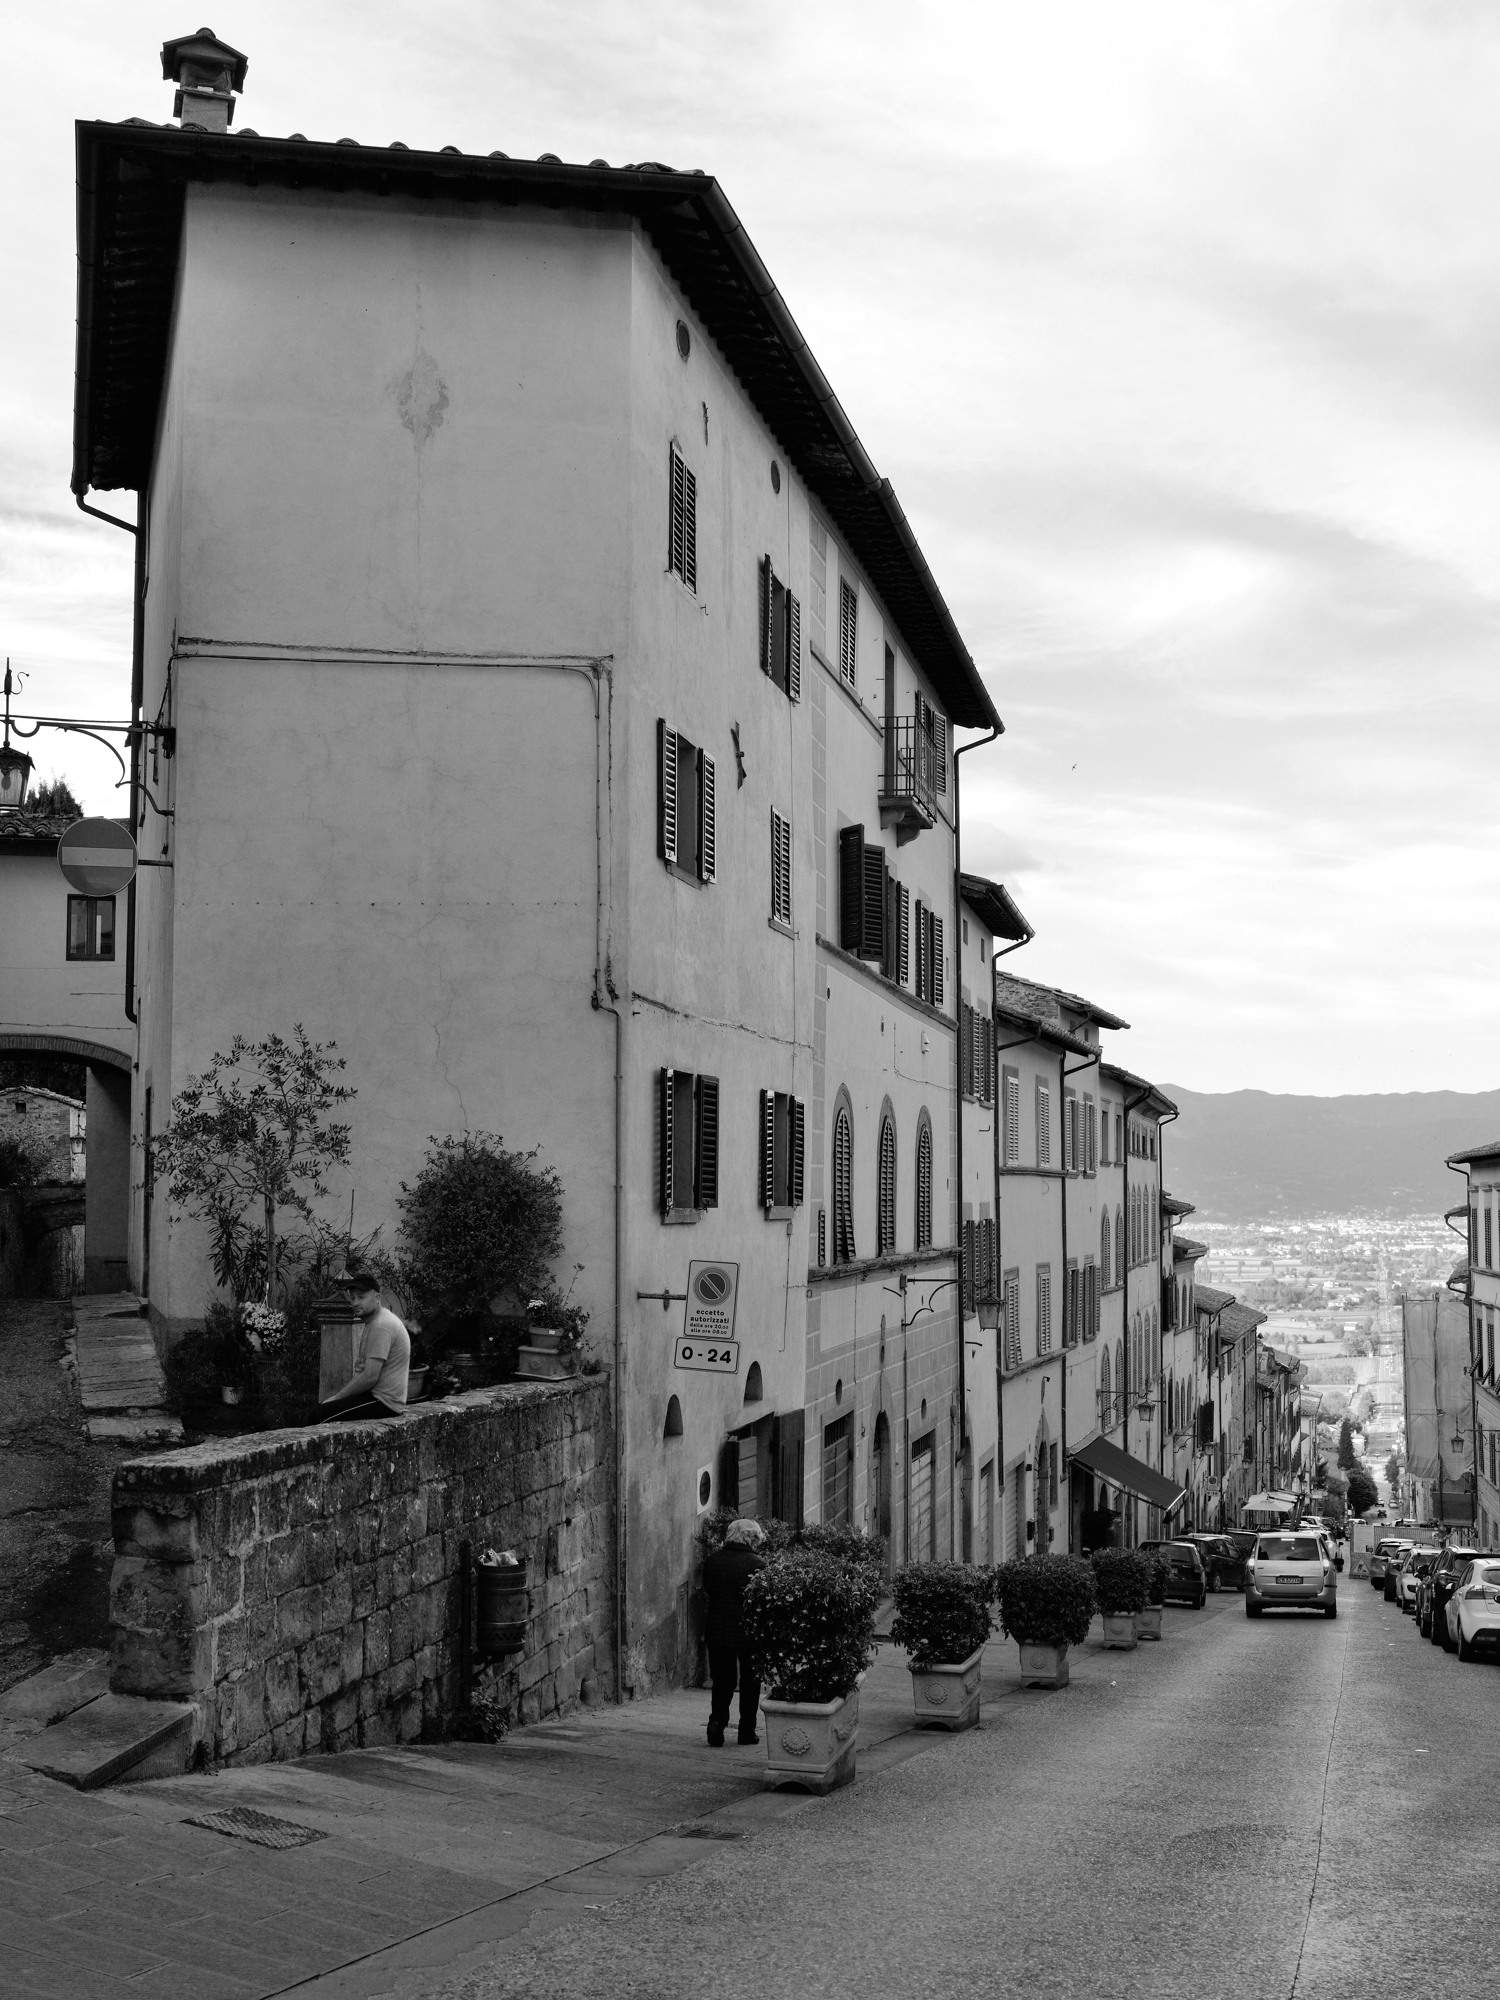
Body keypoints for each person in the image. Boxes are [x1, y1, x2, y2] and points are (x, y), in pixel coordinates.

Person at [701, 1516, 766, 1748]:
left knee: (722, 1681)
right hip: (749, 1633)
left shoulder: (712, 1561)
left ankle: (716, 1725)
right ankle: (746, 1731)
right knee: (750, 1683)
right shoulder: (757, 1564)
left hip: (718, 1630)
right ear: (751, 1538)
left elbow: (709, 1589)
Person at [318, 1271, 411, 1421]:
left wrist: (336, 1397)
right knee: (322, 1410)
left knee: (318, 1416)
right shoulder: (374, 1320)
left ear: (377, 1298)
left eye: (361, 1297)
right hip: (376, 1396)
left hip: (384, 1403)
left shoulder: (381, 1325)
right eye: (353, 1298)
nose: (355, 1303)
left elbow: (369, 1377)